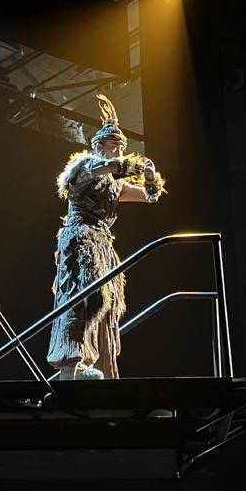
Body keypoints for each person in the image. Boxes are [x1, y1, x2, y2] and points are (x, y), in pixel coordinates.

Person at [46, 94, 166, 380]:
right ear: (98, 146)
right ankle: (72, 363)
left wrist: (150, 178)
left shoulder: (115, 185)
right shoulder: (85, 166)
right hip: (80, 240)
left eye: (121, 147)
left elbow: (150, 196)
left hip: (102, 244)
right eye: (113, 146)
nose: (118, 151)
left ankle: (102, 367)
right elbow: (107, 168)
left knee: (108, 306)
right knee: (82, 297)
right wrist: (131, 165)